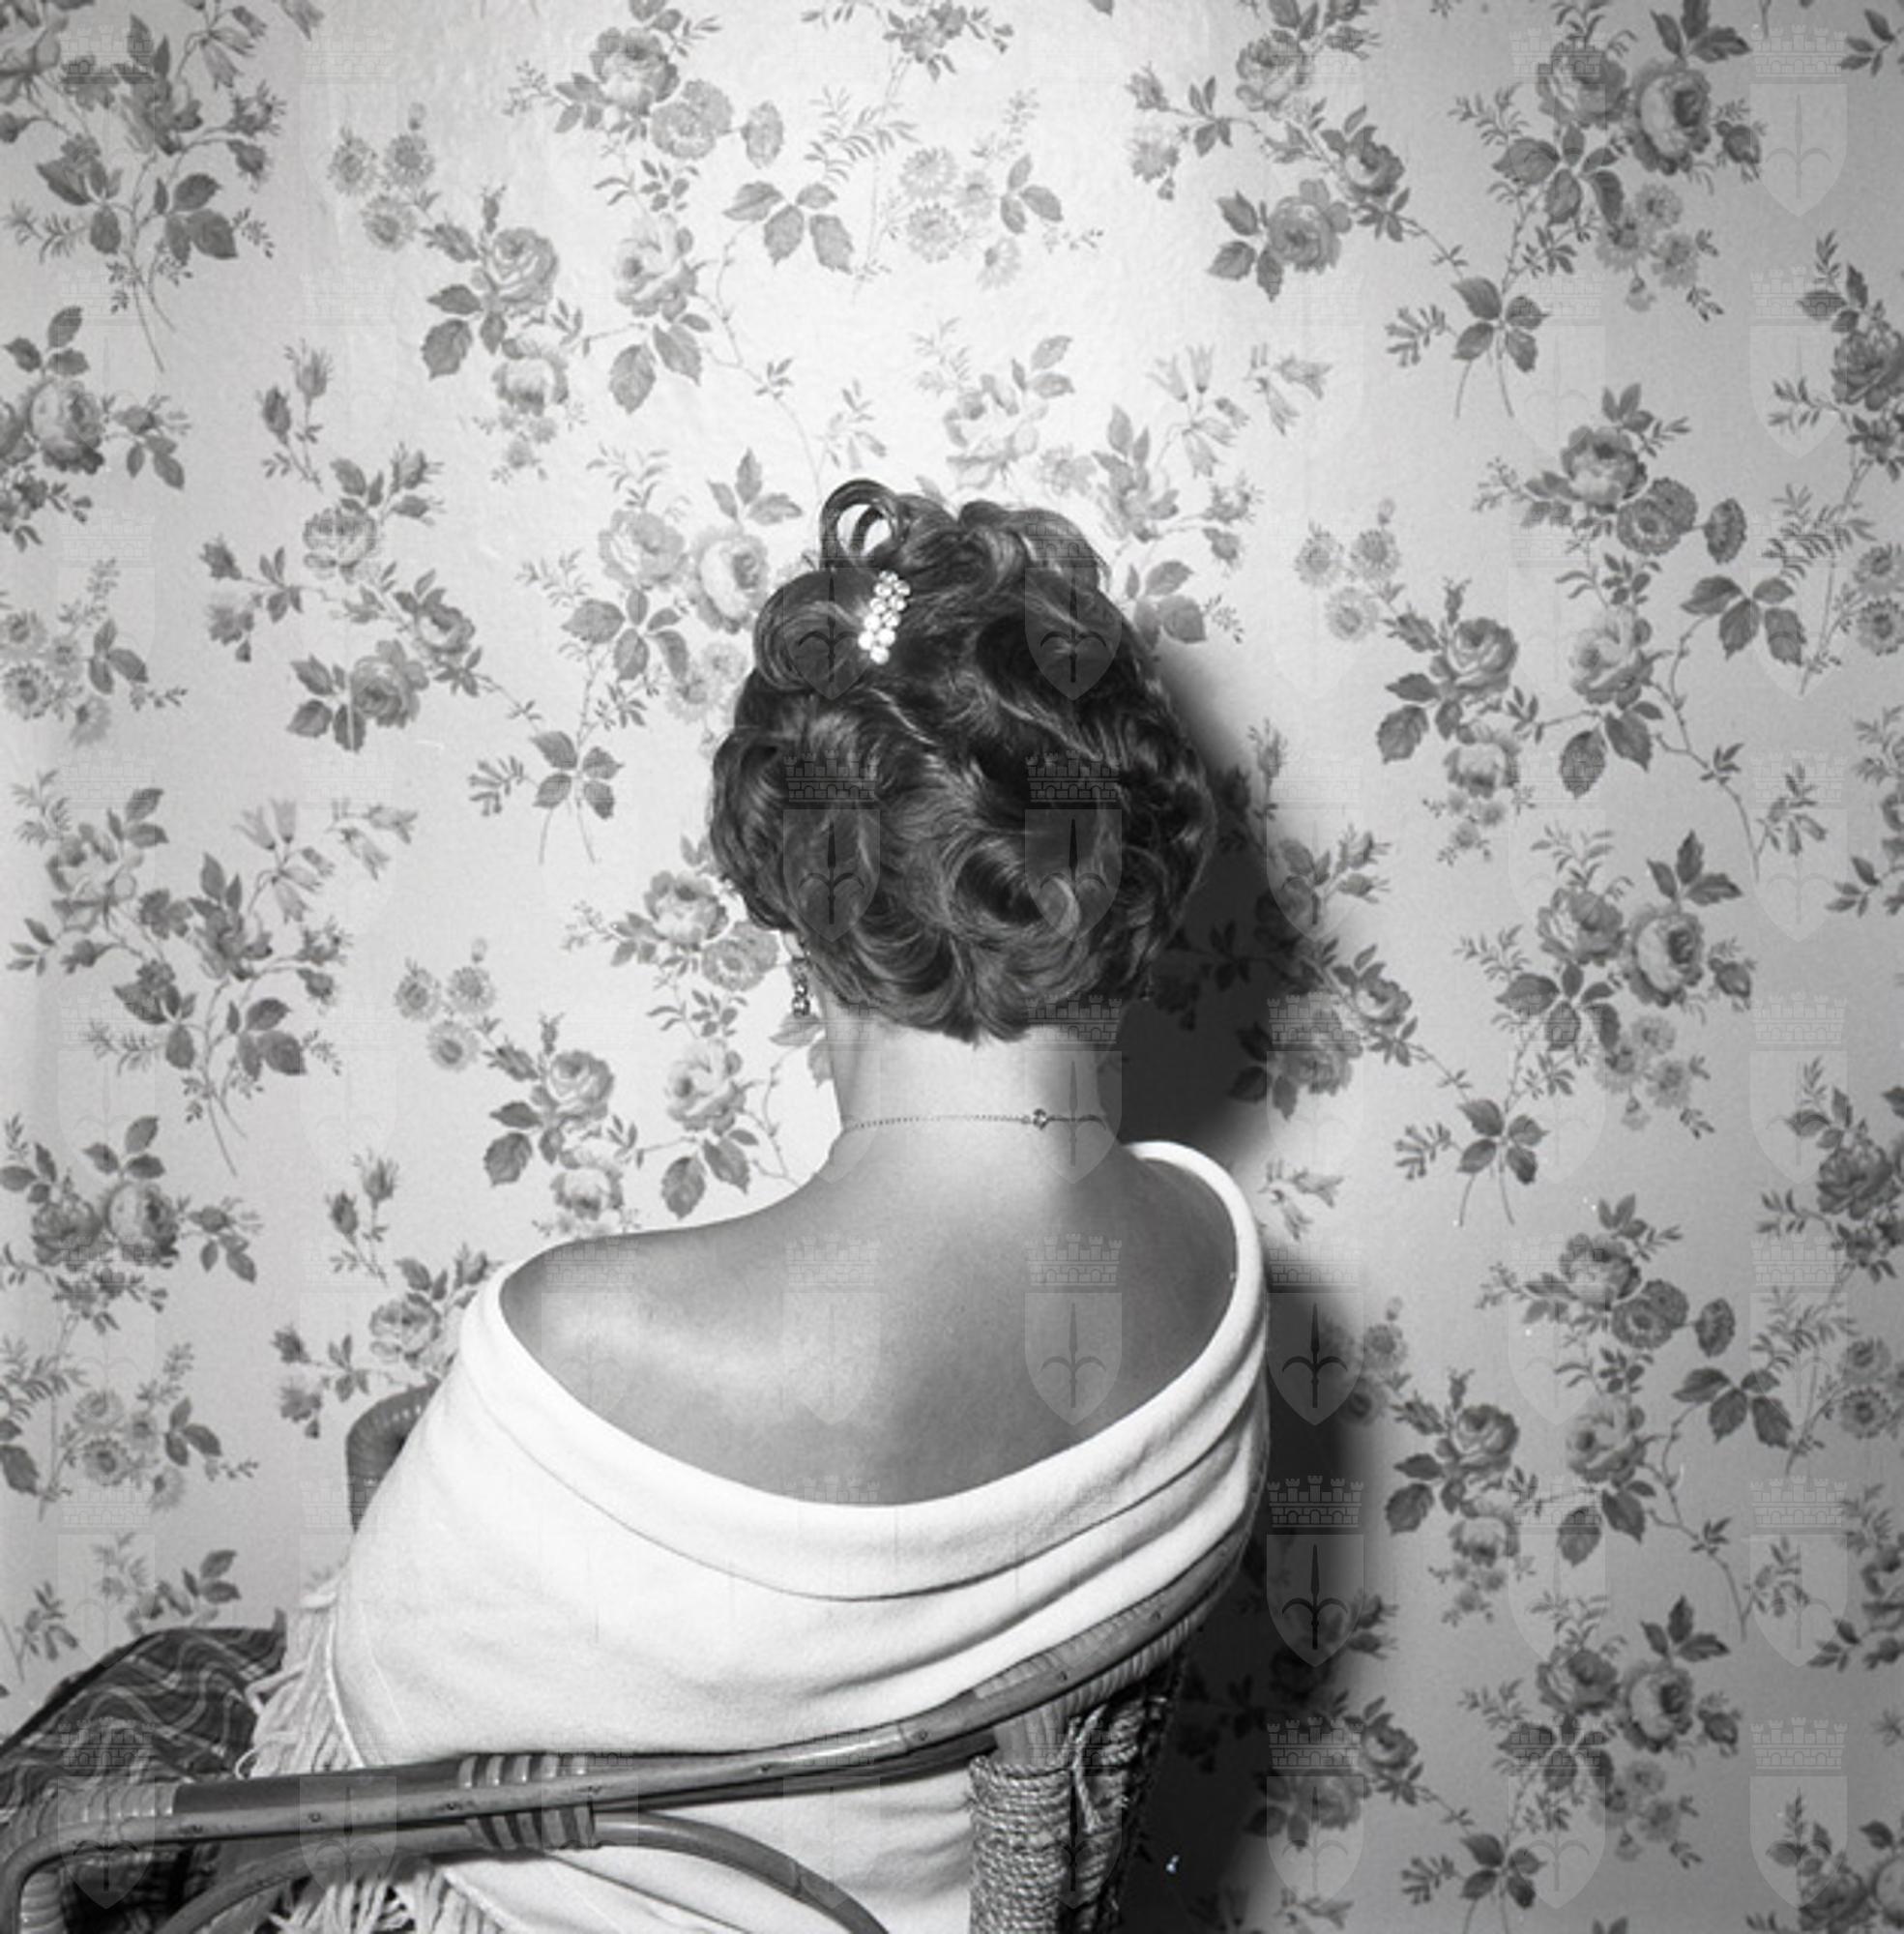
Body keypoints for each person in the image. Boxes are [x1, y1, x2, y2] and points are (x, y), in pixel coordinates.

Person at [231, 478, 1269, 1932]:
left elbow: (357, 1759)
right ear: (1117, 881)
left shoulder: (583, 1337)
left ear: (801, 904)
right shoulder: (1214, 1255)